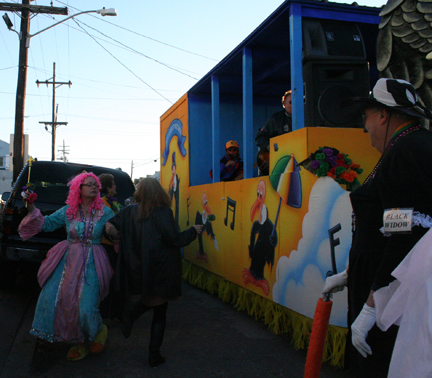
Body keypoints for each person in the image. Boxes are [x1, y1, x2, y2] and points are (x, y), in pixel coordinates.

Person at [322, 78, 432, 377]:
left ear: (383, 115)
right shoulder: (405, 147)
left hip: (390, 299)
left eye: (366, 116)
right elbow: (388, 225)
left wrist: (372, 304)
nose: (364, 126)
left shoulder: (408, 150)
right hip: (379, 283)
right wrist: (350, 272)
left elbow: (408, 234)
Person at [105, 177, 203, 368]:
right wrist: (193, 230)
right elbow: (175, 240)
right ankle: (153, 352)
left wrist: (116, 235)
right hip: (161, 269)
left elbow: (109, 226)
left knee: (154, 304)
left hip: (137, 268)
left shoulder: (127, 211)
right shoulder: (164, 212)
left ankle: (134, 318)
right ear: (159, 192)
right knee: (160, 311)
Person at [18, 172, 115, 361]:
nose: (95, 187)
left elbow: (120, 235)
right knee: (54, 299)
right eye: (89, 184)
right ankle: (77, 340)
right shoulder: (68, 211)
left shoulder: (105, 211)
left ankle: (97, 332)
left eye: (96, 185)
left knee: (86, 307)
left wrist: (115, 232)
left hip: (93, 263)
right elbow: (46, 224)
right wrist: (31, 207)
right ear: (79, 189)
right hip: (68, 262)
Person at [98, 173, 124, 321]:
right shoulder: (103, 203)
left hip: (113, 245)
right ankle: (105, 314)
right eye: (113, 184)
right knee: (108, 280)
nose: (116, 187)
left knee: (113, 279)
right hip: (106, 247)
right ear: (108, 188)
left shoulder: (112, 202)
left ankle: (111, 311)